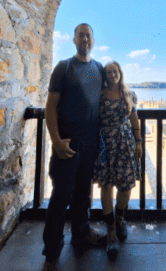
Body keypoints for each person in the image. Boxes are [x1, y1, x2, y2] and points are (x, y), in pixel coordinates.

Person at [42, 23, 106, 269]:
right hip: (68, 144)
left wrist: (131, 99)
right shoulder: (64, 67)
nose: (85, 39)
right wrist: (56, 141)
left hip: (90, 143)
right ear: (74, 39)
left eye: (89, 35)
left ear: (93, 39)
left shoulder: (99, 69)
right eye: (81, 35)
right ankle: (52, 251)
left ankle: (82, 233)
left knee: (83, 194)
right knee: (60, 197)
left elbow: (113, 94)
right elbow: (50, 106)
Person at [93, 61, 142, 259]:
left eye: (114, 71)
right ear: (105, 75)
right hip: (105, 143)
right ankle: (111, 230)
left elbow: (134, 118)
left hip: (125, 142)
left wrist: (138, 141)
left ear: (120, 73)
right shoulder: (99, 95)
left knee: (126, 185)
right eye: (108, 72)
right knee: (106, 185)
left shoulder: (129, 94)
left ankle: (120, 218)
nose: (112, 74)